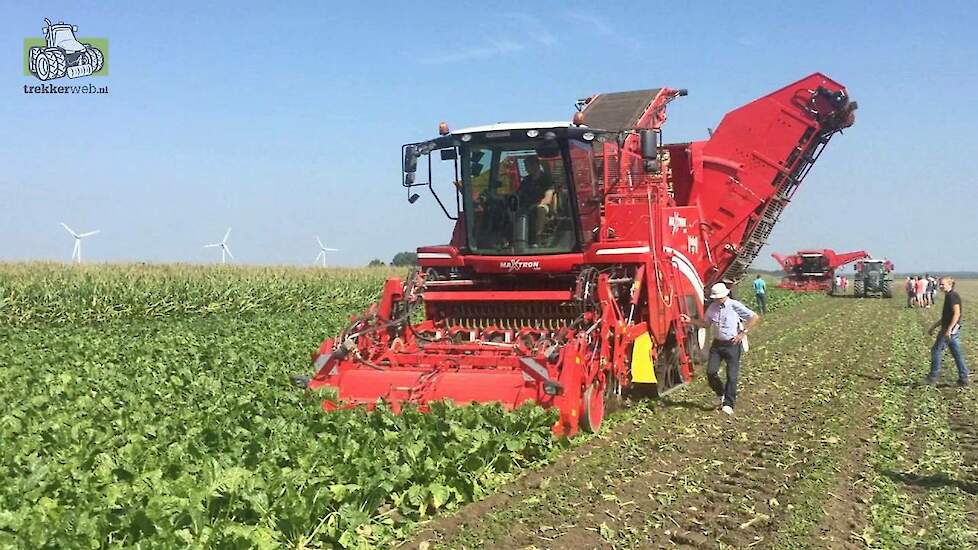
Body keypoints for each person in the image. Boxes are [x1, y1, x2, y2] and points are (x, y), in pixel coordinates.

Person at [681, 283, 760, 415]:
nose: (717, 300)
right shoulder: (712, 307)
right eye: (715, 298)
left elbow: (754, 317)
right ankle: (721, 393)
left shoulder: (734, 306)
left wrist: (743, 333)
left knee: (732, 376)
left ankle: (729, 404)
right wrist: (690, 320)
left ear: (725, 295)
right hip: (717, 345)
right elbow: (706, 324)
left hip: (732, 345)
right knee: (711, 372)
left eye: (719, 297)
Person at [925, 276, 969, 386]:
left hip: (949, 330)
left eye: (942, 284)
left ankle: (932, 377)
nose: (940, 286)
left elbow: (957, 314)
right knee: (956, 353)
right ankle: (963, 378)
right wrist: (933, 327)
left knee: (936, 350)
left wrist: (949, 330)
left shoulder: (952, 296)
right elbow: (946, 317)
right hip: (949, 329)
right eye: (939, 284)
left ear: (950, 284)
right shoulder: (949, 296)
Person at [517, 156, 555, 245]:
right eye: (525, 165)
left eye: (527, 165)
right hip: (525, 206)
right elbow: (518, 194)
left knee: (539, 209)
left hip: (542, 206)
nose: (526, 168)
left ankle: (536, 239)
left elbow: (547, 199)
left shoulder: (546, 179)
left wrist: (534, 205)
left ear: (536, 165)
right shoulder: (526, 180)